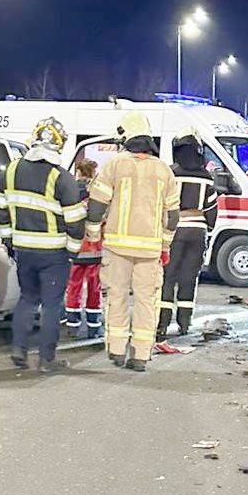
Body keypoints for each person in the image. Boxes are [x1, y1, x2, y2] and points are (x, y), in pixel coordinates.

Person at [85, 111, 179, 372]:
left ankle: (116, 350)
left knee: (116, 298)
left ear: (124, 135)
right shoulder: (163, 170)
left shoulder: (114, 165)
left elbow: (96, 205)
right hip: (150, 251)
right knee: (146, 302)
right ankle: (140, 355)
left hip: (117, 249)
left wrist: (93, 233)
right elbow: (172, 216)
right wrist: (165, 246)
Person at [0, 116, 85, 374]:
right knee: (52, 305)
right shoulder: (61, 178)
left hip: (23, 251)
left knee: (26, 299)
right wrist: (73, 251)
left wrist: (8, 240)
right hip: (54, 254)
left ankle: (19, 350)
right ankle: (47, 359)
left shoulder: (11, 170)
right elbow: (76, 222)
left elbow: (0, 208)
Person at [157, 128, 218, 341]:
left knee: (168, 277)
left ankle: (162, 323)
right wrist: (207, 228)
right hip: (197, 231)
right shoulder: (207, 178)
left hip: (174, 231)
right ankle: (184, 322)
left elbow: (162, 204)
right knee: (189, 278)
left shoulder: (171, 173)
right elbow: (212, 210)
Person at [64, 159, 104, 339]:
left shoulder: (69, 192)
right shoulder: (98, 194)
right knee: (95, 289)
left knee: (74, 287)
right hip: (95, 250)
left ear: (78, 172)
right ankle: (94, 327)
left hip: (75, 249)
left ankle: (73, 326)